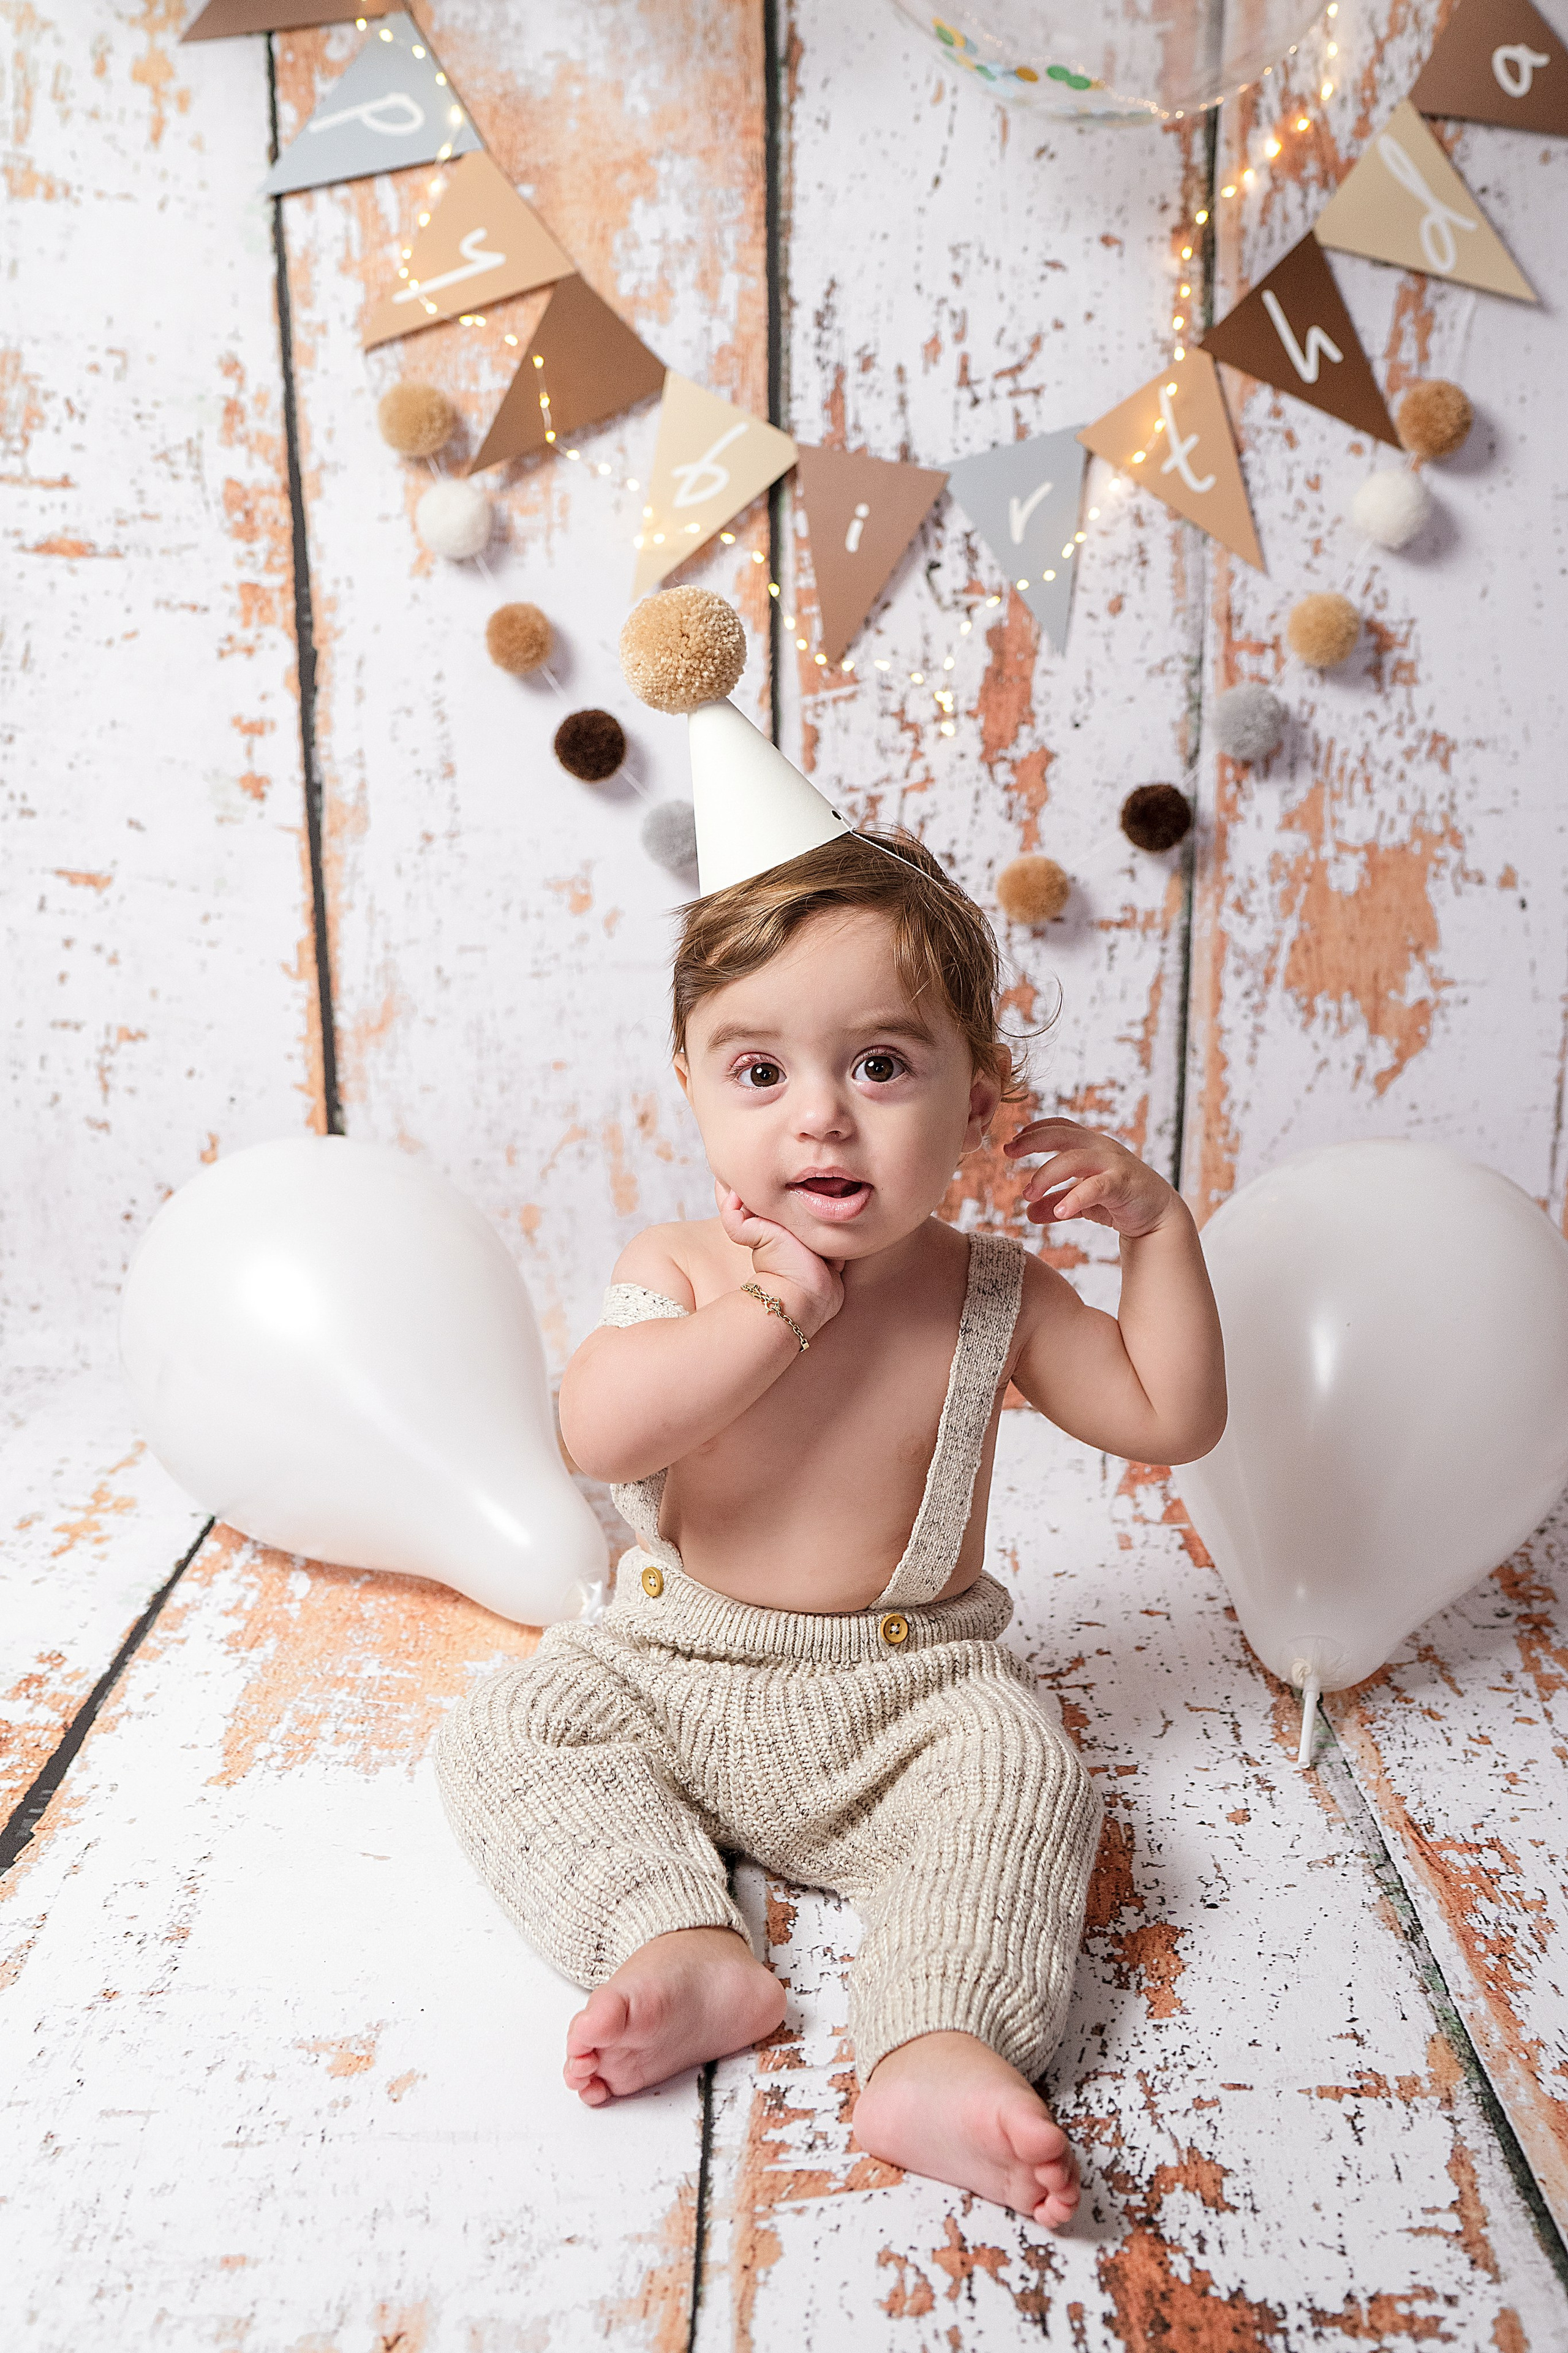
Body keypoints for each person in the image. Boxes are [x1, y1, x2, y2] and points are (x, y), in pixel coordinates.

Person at [436, 810, 1226, 2234]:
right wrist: (765, 1315)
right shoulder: (681, 1265)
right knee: (509, 1730)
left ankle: (932, 2043)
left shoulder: (995, 1296)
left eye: (878, 1063)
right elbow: (598, 1429)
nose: (819, 1115)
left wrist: (1156, 1233)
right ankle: (678, 1943)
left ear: (979, 1095)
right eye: (759, 1069)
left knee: (1021, 1778)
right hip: (675, 1675)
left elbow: (1168, 1416)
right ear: (690, 1088)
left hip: (908, 1695)